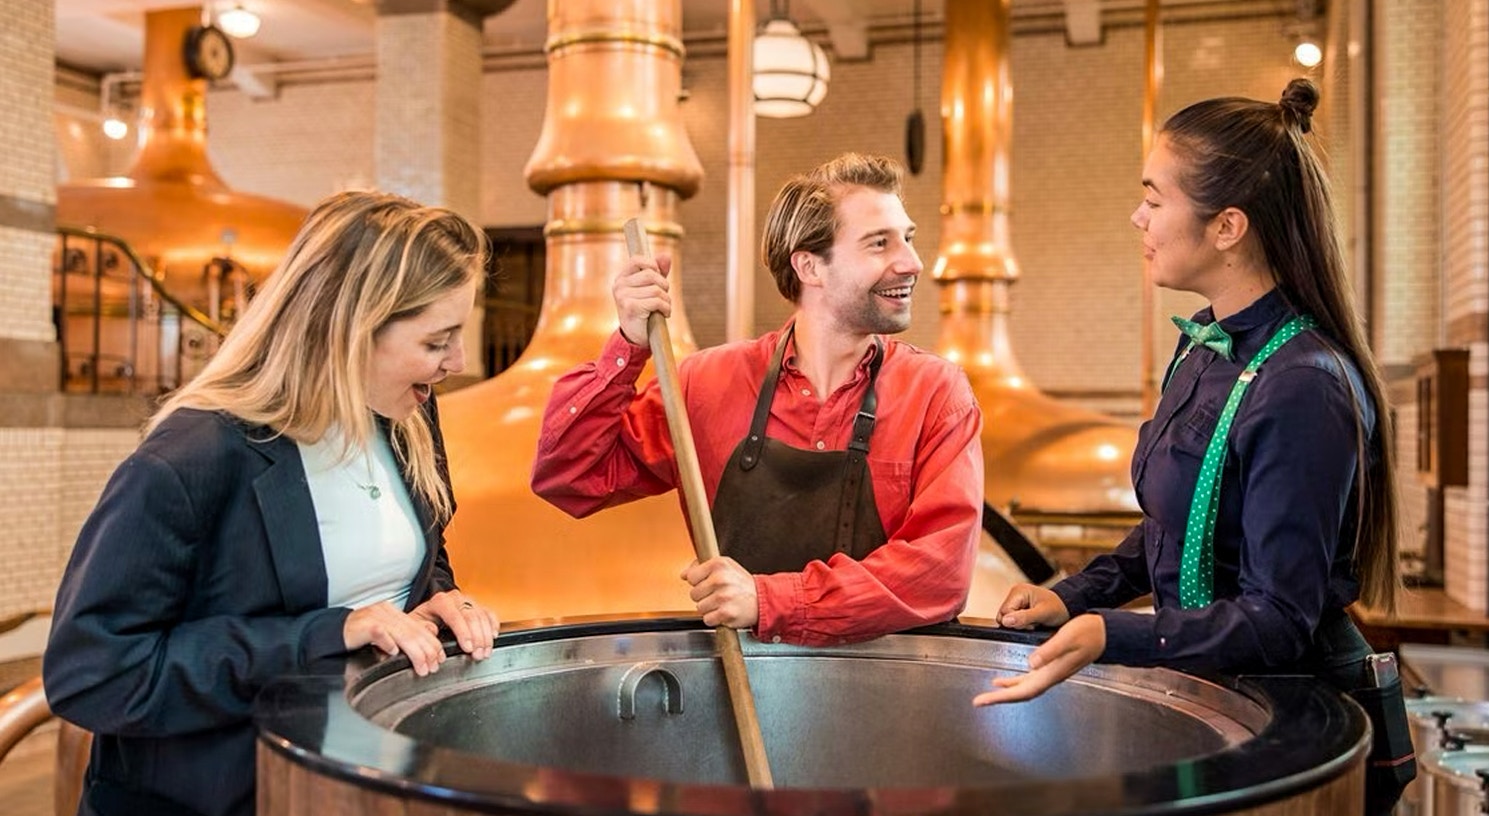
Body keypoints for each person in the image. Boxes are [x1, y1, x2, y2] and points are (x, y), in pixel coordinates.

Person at [972, 80, 1414, 812]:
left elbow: (1279, 618)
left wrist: (1109, 634)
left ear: (1227, 226)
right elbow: (1176, 531)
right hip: (1216, 690)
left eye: (1154, 197)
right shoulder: (1204, 349)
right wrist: (1069, 596)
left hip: (1297, 724)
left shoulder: (1305, 384)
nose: (1137, 217)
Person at [43, 191, 503, 816]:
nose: (458, 362)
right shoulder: (192, 457)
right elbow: (94, 673)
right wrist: (324, 633)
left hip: (352, 787)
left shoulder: (408, 419)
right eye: (436, 341)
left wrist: (434, 599)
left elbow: (415, 557)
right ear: (349, 327)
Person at [532, 153, 983, 646]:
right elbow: (571, 477)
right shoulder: (706, 383)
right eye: (880, 243)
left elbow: (938, 571)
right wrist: (627, 343)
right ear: (810, 266)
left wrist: (771, 601)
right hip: (750, 683)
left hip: (889, 697)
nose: (912, 262)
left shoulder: (937, 393)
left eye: (907, 239)